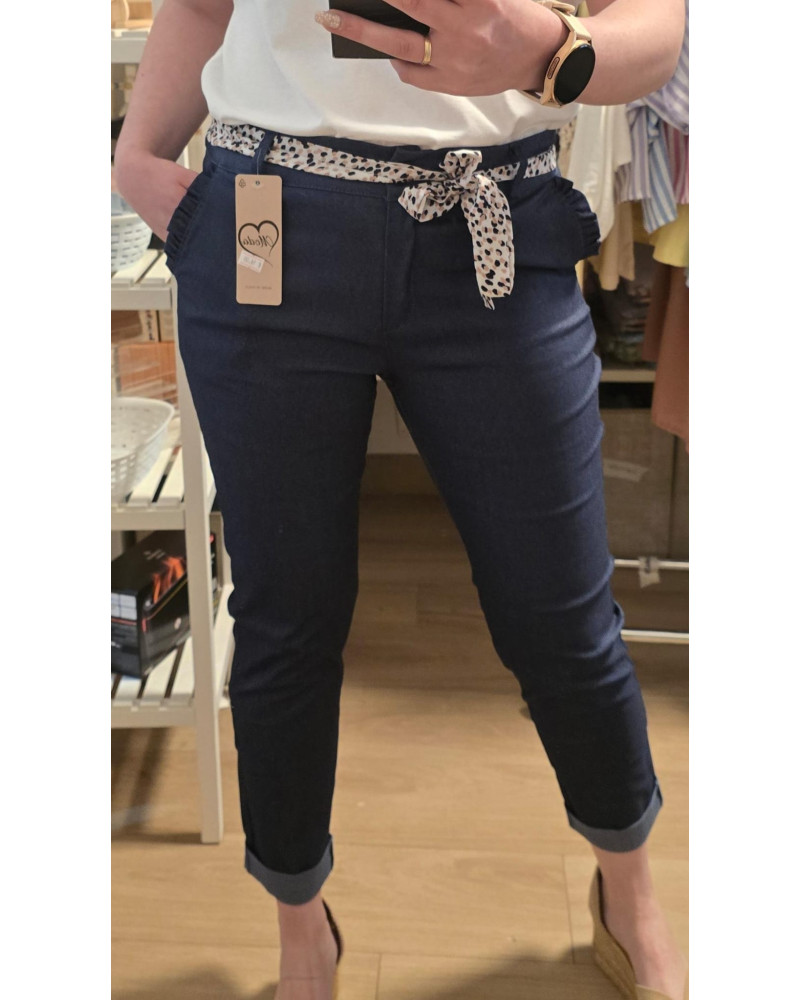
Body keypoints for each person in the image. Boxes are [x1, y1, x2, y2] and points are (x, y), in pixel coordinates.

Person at [114, 2, 688, 998]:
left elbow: (660, 29)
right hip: (269, 218)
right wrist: (134, 154)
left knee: (559, 611)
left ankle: (629, 898)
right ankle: (301, 929)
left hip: (493, 210)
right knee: (285, 616)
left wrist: (551, 52)